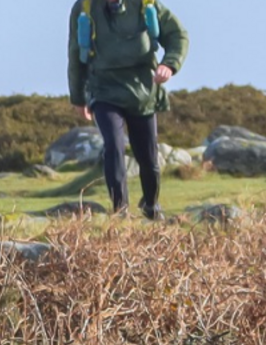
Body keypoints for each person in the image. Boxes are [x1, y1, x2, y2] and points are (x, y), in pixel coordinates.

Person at [67, 0, 188, 219]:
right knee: (114, 145)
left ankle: (151, 205)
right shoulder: (84, 8)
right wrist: (78, 97)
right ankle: (120, 210)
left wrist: (169, 64)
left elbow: (177, 35)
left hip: (143, 92)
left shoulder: (146, 5)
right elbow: (75, 53)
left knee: (148, 157)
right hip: (103, 90)